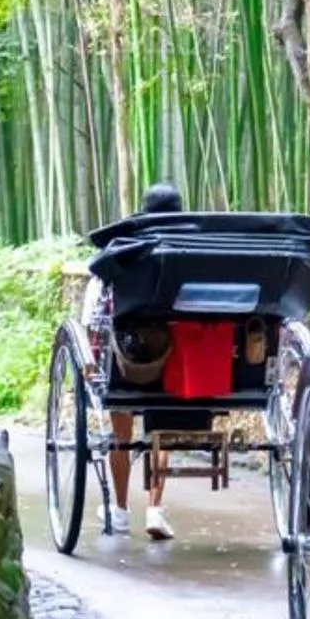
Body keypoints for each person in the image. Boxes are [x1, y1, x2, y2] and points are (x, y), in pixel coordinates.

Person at [113, 183, 184, 540]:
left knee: (120, 431)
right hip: (184, 363)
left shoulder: (126, 254)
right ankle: (154, 509)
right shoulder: (194, 253)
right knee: (161, 432)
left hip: (131, 363)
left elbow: (100, 315)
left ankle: (121, 511)